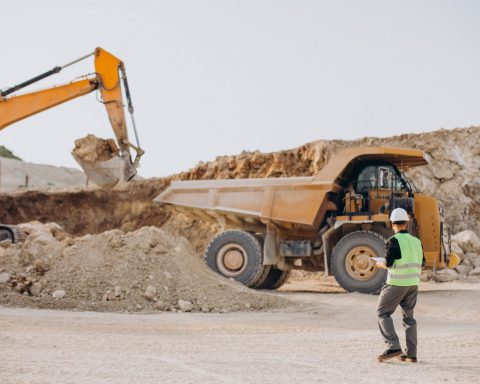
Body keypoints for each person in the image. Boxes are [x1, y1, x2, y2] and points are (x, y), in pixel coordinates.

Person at [375, 207, 424, 363]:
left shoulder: (393, 241)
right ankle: (411, 354)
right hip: (413, 284)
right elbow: (422, 262)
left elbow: (389, 264)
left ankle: (393, 346)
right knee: (409, 319)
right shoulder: (417, 242)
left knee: (382, 312)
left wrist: (379, 264)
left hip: (396, 283)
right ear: (406, 223)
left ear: (392, 223)